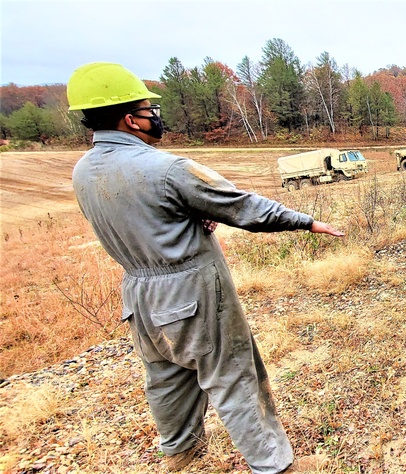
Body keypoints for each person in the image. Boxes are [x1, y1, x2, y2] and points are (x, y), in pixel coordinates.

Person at [67, 62, 334, 473]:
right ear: (129, 119)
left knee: (165, 380)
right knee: (234, 378)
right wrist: (306, 222)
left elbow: (141, 219)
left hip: (139, 296)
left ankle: (180, 454)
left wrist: (184, 218)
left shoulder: (84, 170)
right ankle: (275, 465)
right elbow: (242, 206)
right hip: (190, 291)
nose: (155, 116)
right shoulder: (167, 168)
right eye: (146, 108)